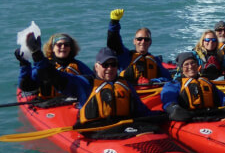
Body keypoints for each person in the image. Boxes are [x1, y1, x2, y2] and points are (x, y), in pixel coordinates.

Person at [25, 33, 155, 126]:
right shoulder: (86, 83)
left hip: (123, 127)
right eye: (105, 65)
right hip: (96, 131)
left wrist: (168, 112)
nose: (110, 68)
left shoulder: (124, 84)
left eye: (113, 65)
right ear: (96, 67)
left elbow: (142, 111)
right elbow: (54, 77)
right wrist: (37, 54)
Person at [161, 52, 225, 122]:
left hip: (212, 116)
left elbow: (222, 97)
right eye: (186, 64)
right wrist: (174, 109)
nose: (190, 66)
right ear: (181, 69)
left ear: (198, 65)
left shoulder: (206, 82)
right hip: (189, 120)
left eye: (193, 63)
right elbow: (168, 102)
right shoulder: (173, 85)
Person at [16, 32, 94, 99]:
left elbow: (93, 80)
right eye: (59, 45)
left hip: (73, 102)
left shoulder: (78, 65)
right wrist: (24, 63)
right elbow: (26, 85)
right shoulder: (44, 67)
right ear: (52, 48)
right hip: (49, 104)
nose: (63, 47)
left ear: (71, 48)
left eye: (66, 45)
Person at [106, 9, 172, 84]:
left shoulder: (155, 60)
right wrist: (114, 22)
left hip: (151, 92)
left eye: (146, 39)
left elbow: (168, 78)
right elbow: (114, 42)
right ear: (134, 41)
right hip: (130, 92)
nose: (143, 42)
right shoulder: (125, 57)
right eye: (139, 39)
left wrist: (152, 81)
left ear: (150, 42)